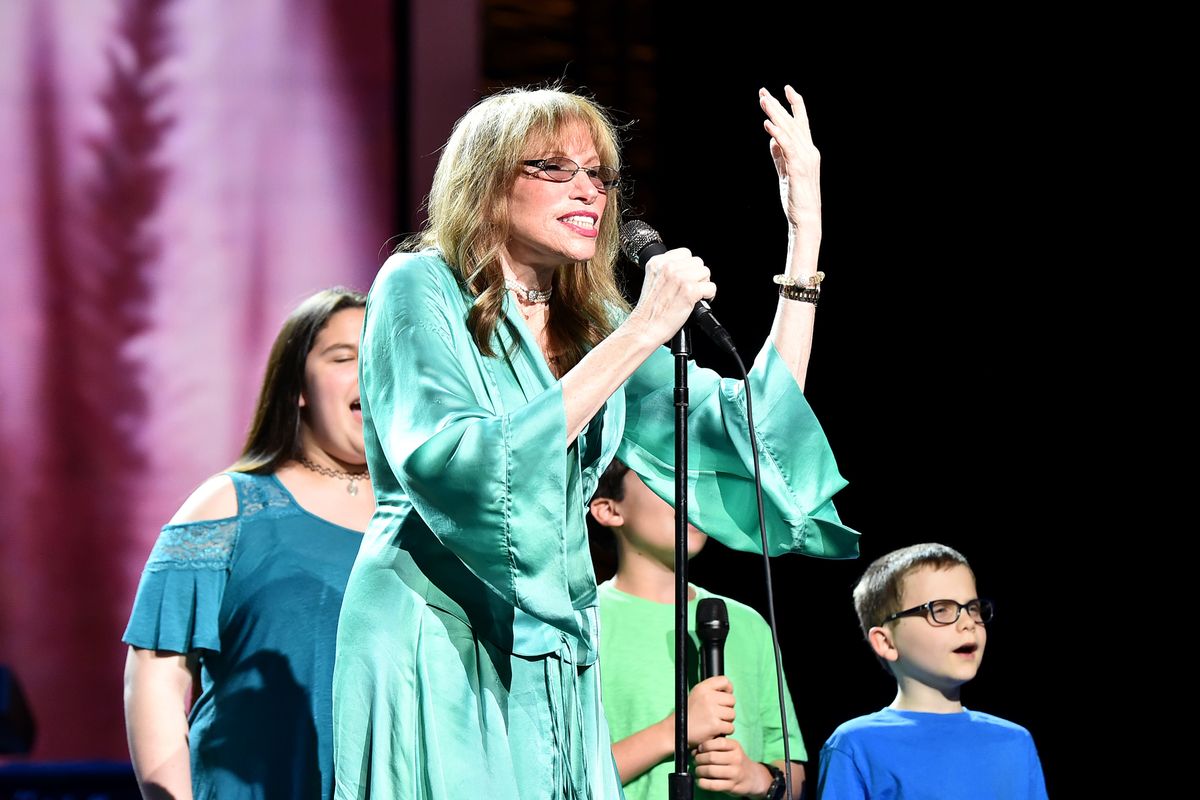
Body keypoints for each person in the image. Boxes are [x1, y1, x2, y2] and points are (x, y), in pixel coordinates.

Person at [332, 83, 857, 799]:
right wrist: (643, 332)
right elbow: (463, 466)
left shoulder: (594, 319)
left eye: (601, 174)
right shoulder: (420, 285)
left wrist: (806, 235)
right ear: (487, 182)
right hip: (435, 624)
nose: (590, 191)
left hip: (554, 640)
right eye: (555, 168)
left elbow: (752, 433)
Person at [122, 288, 373, 800]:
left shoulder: (429, 519)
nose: (367, 373)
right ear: (297, 384)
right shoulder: (228, 505)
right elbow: (157, 677)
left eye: (380, 356)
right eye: (344, 357)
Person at [588, 458, 806, 800]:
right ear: (609, 510)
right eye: (663, 477)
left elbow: (794, 770)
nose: (689, 496)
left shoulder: (748, 624)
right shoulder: (583, 625)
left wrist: (758, 778)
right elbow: (559, 775)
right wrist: (674, 731)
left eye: (694, 483)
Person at [816, 543, 1049, 799]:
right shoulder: (855, 745)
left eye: (972, 608)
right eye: (940, 610)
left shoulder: (1016, 743)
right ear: (886, 642)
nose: (968, 623)